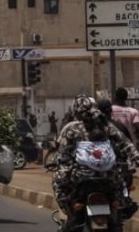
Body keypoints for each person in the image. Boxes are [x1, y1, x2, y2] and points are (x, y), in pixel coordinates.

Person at [53, 95, 139, 229]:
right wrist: (136, 159)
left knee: (60, 185)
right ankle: (119, 211)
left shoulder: (72, 129)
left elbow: (62, 157)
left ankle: (70, 215)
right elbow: (126, 144)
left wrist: (62, 179)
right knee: (121, 194)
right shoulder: (107, 126)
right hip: (109, 179)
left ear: (75, 111)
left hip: (81, 180)